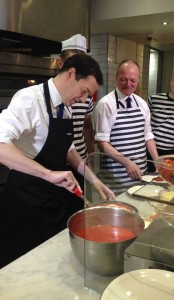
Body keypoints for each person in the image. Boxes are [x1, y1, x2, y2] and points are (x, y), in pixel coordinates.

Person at [0, 54, 115, 268]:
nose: (83, 99)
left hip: (51, 201)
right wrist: (49, 174)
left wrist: (93, 180)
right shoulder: (30, 99)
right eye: (84, 92)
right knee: (25, 268)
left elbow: (68, 148)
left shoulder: (65, 106)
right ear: (71, 74)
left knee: (53, 264)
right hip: (25, 204)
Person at [94, 59, 158, 194]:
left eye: (133, 80)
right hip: (115, 178)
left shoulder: (142, 104)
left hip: (141, 174)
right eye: (123, 79)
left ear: (138, 80)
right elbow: (102, 143)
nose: (128, 84)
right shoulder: (106, 104)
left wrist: (158, 162)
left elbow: (148, 136)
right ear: (116, 77)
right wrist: (127, 162)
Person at [58, 34, 94, 162]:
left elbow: (87, 126)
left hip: (81, 159)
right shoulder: (47, 95)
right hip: (57, 163)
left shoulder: (86, 95)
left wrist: (90, 155)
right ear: (60, 64)